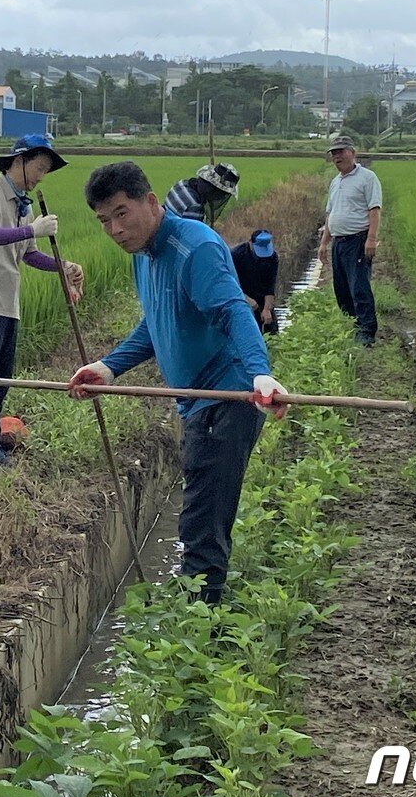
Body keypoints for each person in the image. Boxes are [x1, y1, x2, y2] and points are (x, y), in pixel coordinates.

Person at [68, 162, 288, 606]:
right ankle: (199, 609)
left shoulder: (195, 247)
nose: (114, 229)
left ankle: (199, 623)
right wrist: (109, 368)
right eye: (104, 220)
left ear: (150, 202)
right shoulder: (143, 254)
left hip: (226, 395)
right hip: (194, 400)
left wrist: (260, 372)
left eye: (121, 213)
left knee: (202, 519)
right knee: (203, 509)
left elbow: (231, 310)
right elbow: (157, 322)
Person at [0, 134, 84, 465]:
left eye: (45, 171)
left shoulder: (23, 207)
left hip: (7, 303)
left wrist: (64, 266)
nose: (41, 177)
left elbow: (29, 255)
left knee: (2, 379)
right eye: (38, 168)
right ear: (18, 161)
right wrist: (33, 230)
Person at [316, 134, 382, 345]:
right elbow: (331, 214)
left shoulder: (367, 178)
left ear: (352, 153)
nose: (337, 157)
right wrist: (324, 243)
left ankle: (366, 331)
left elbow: (374, 210)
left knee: (359, 287)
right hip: (339, 242)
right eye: (334, 153)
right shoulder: (335, 182)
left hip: (358, 240)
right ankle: (351, 324)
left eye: (341, 152)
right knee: (341, 288)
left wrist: (371, 239)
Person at [230, 229, 280, 335]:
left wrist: (267, 309)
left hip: (261, 298)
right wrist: (246, 299)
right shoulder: (236, 255)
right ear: (250, 243)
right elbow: (230, 283)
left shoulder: (273, 257)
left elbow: (270, 287)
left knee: (271, 329)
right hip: (240, 296)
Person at [165, 162, 240, 227]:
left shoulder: (182, 184)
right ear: (214, 191)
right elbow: (193, 235)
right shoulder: (195, 207)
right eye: (222, 194)